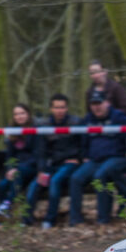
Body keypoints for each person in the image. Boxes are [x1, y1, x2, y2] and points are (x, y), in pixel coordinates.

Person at [68, 90, 126, 226]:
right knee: (75, 178)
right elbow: (81, 141)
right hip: (94, 160)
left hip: (116, 157)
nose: (96, 107)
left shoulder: (118, 116)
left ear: (107, 103)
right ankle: (75, 219)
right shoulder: (88, 119)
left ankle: (103, 218)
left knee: (100, 175)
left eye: (99, 103)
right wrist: (83, 156)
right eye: (93, 104)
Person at [26, 94, 82, 228]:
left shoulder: (76, 123)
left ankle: (50, 219)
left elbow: (83, 145)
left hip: (69, 164)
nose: (59, 110)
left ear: (67, 108)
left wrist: (79, 159)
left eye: (62, 107)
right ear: (51, 109)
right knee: (35, 185)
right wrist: (41, 170)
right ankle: (26, 219)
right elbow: (41, 151)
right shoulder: (44, 125)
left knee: (55, 181)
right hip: (51, 164)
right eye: (57, 107)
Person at [0, 103, 38, 217]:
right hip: (16, 168)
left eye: (22, 113)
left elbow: (38, 154)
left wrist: (17, 169)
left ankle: (7, 204)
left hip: (32, 166)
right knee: (2, 185)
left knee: (17, 174)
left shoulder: (36, 129)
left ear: (28, 114)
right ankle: (4, 210)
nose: (19, 116)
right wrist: (10, 168)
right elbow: (9, 155)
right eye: (16, 114)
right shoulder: (12, 131)